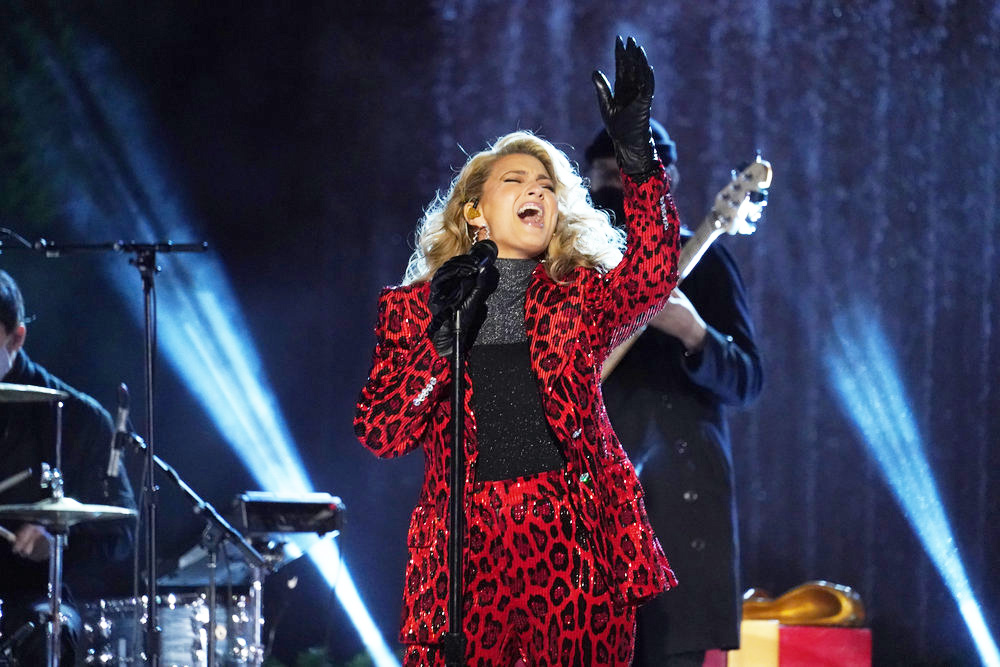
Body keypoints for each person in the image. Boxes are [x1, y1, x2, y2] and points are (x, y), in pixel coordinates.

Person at [355, 37, 681, 666]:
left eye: (547, 184)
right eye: (515, 180)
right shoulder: (413, 310)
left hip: (577, 538)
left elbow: (651, 275)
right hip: (464, 554)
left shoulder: (577, 294)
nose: (536, 190)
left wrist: (637, 158)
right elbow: (381, 431)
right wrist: (440, 346)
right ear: (475, 213)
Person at [586, 121, 764, 666]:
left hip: (676, 528)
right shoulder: (563, 267)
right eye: (607, 177)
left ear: (667, 179)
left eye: (634, 178)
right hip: (585, 522)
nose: (619, 190)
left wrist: (693, 331)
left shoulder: (703, 259)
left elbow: (748, 380)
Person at [0, 269, 136, 665]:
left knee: (46, 634)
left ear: (17, 336)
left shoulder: (77, 419)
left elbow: (119, 533)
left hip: (35, 597)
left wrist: (58, 541)